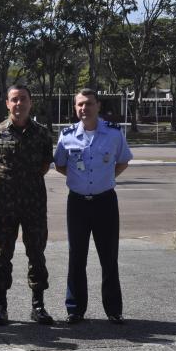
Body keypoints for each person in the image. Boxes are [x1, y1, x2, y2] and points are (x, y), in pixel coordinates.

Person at [54, 88, 133, 325]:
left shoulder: (113, 133)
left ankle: (113, 310)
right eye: (79, 105)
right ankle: (75, 309)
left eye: (88, 104)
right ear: (75, 108)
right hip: (77, 203)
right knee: (76, 257)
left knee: (108, 257)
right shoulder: (66, 135)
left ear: (98, 105)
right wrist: (80, 181)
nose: (84, 109)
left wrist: (104, 179)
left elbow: (122, 161)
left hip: (105, 202)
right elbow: (60, 164)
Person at [0, 85, 54, 326]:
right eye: (14, 99)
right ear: (7, 103)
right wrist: (9, 186)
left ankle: (38, 305)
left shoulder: (43, 134)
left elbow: (45, 164)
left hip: (34, 204)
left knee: (36, 253)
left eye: (23, 99)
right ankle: (0, 306)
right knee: (3, 254)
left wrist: (27, 184)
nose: (18, 104)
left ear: (30, 103)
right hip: (5, 205)